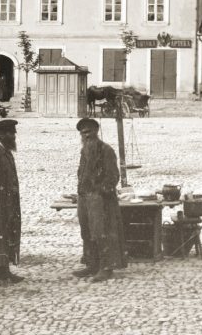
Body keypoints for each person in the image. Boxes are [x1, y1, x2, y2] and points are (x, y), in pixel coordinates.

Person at [73, 118, 127, 282]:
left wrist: (99, 192)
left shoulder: (106, 150)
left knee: (101, 232)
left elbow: (113, 177)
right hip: (85, 199)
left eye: (89, 132)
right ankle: (92, 264)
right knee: (87, 232)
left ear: (96, 132)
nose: (86, 135)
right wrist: (81, 192)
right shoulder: (84, 151)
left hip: (101, 200)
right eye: (83, 133)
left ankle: (106, 267)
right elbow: (81, 173)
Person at [0, 119, 23, 286]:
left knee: (6, 234)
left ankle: (3, 270)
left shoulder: (5, 151)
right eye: (11, 133)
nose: (14, 135)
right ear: (1, 134)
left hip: (7, 201)